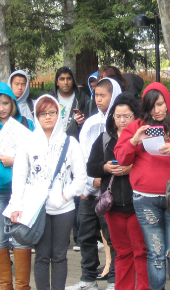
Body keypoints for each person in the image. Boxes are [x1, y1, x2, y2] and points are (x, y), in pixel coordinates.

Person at [115, 82, 170, 290]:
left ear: (168, 103)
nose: (157, 110)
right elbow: (121, 158)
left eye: (161, 104)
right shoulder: (137, 126)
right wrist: (134, 140)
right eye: (152, 106)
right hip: (145, 198)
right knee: (155, 252)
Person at [7, 95, 87, 290]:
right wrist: (16, 206)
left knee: (59, 256)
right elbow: (19, 176)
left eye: (52, 112)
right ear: (36, 116)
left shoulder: (70, 143)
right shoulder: (28, 142)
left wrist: (64, 196)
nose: (48, 117)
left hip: (64, 208)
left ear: (59, 114)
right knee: (42, 256)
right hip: (36, 208)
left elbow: (80, 178)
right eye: (42, 113)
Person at [0, 81, 36, 290]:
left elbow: (35, 154)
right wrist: (3, 172)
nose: (1, 108)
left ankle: (22, 286)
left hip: (20, 193)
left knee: (21, 239)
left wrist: (15, 166)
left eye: (5, 103)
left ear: (13, 103)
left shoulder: (27, 124)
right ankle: (5, 285)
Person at [86, 95, 147, 290]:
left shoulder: (143, 138)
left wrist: (132, 168)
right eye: (117, 116)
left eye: (127, 116)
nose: (121, 120)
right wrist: (105, 167)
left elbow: (152, 166)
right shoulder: (105, 138)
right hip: (113, 205)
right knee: (121, 252)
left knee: (140, 251)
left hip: (137, 203)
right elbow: (91, 167)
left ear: (135, 116)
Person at [69, 78, 123, 290]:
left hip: (112, 190)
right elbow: (82, 156)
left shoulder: (120, 123)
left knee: (112, 237)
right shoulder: (90, 123)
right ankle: (87, 278)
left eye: (103, 95)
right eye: (96, 95)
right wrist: (87, 183)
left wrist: (103, 177)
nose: (98, 99)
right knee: (85, 234)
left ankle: (114, 279)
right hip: (89, 188)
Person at [51, 67, 88, 138]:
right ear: (57, 82)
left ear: (73, 81)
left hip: (76, 140)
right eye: (62, 79)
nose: (66, 82)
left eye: (69, 78)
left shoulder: (82, 98)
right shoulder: (50, 99)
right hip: (54, 139)